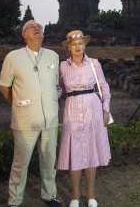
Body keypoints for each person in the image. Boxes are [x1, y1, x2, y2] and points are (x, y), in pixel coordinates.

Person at [0, 20, 61, 207]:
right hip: (25, 119)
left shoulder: (53, 56)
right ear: (24, 34)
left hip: (50, 117)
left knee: (49, 160)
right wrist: (17, 105)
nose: (37, 29)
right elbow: (4, 87)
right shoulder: (13, 57)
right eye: (31, 27)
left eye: (39, 27)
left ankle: (49, 195)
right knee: (21, 163)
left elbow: (55, 85)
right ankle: (15, 200)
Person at [57, 30, 112, 207]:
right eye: (74, 44)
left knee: (90, 151)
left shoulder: (94, 64)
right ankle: (75, 194)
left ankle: (90, 193)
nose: (78, 47)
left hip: (92, 109)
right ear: (69, 48)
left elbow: (104, 87)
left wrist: (105, 110)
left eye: (80, 43)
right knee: (75, 152)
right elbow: (58, 90)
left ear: (85, 45)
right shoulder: (63, 66)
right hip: (72, 108)